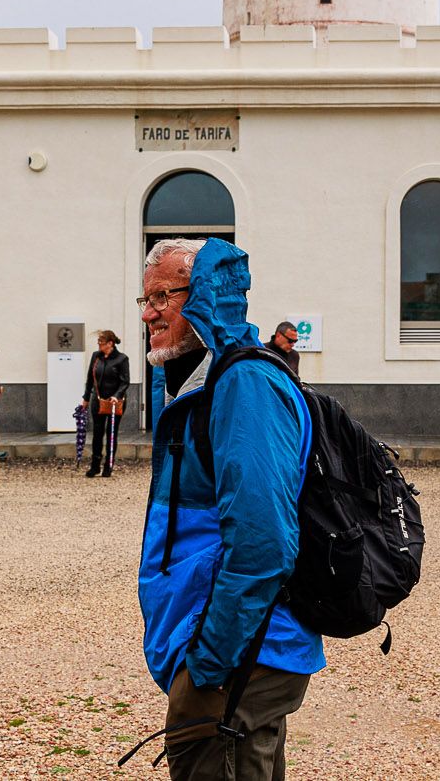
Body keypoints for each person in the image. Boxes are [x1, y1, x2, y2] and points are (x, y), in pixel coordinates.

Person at [135, 237, 321, 780]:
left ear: (204, 297)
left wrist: (209, 664)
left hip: (240, 655)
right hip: (233, 648)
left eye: (162, 297)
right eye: (144, 299)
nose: (148, 313)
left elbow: (263, 544)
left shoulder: (242, 385)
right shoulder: (208, 384)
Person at [82, 328, 131, 477]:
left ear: (110, 343)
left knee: (111, 432)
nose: (99, 345)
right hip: (98, 400)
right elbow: (90, 379)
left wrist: (117, 395)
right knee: (97, 432)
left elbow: (125, 382)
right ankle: (95, 465)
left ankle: (108, 465)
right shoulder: (96, 357)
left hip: (115, 402)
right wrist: (86, 398)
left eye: (101, 343)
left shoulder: (122, 359)